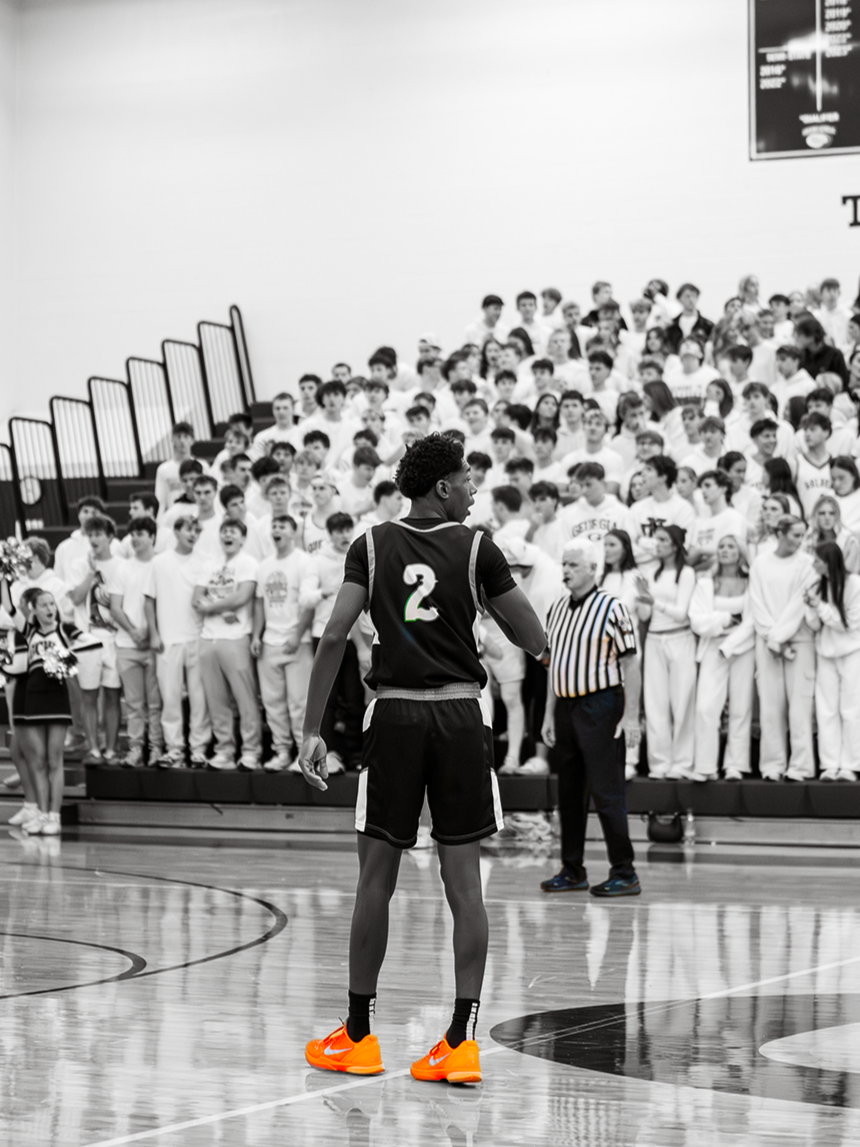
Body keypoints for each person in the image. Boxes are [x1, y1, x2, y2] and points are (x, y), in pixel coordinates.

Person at [302, 433, 546, 1083]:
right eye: (466, 477)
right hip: (464, 714)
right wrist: (489, 605)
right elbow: (534, 635)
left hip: (397, 715)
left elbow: (331, 635)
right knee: (465, 885)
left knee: (375, 878)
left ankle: (358, 1035)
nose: (472, 487)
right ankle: (460, 1041)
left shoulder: (371, 544)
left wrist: (311, 729)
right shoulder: (478, 547)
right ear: (441, 486)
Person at [540, 538, 641, 896]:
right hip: (566, 707)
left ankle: (625, 872)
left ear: (593, 569)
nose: (565, 571)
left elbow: (630, 663)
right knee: (568, 793)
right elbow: (554, 665)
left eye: (573, 565)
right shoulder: (556, 609)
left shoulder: (613, 608)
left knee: (606, 791)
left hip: (601, 705)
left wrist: (631, 717)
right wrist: (549, 715)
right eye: (564, 564)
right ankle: (572, 869)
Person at [0, 582, 99, 835]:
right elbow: (9, 606)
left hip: (56, 699)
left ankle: (54, 817)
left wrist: (66, 656)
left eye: (52, 603)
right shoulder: (30, 632)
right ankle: (42, 814)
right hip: (33, 699)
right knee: (38, 761)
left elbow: (92, 643)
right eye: (43, 604)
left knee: (55, 760)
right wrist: (4, 576)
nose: (49, 608)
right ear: (33, 609)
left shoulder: (64, 629)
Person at [749, 515, 817, 781]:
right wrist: (772, 639)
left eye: (802, 536)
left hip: (799, 642)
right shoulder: (760, 563)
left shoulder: (808, 564)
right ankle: (772, 766)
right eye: (795, 535)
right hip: (767, 643)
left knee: (799, 708)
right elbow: (757, 603)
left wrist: (779, 638)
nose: (799, 541)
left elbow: (797, 607)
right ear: (780, 533)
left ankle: (800, 767)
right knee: (770, 707)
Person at [192, 519, 261, 771]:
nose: (227, 535)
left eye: (233, 532)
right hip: (208, 639)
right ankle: (224, 751)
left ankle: (251, 751)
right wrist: (223, 608)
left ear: (243, 538)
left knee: (245, 699)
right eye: (224, 531)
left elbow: (243, 596)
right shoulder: (209, 564)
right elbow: (196, 599)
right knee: (216, 700)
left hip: (236, 639)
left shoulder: (248, 563)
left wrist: (212, 606)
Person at [144, 514, 211, 768]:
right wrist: (154, 632)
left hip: (197, 636)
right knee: (170, 697)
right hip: (168, 639)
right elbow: (149, 601)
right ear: (177, 531)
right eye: (188, 530)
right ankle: (174, 749)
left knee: (198, 697)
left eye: (196, 530)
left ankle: (198, 749)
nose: (192, 534)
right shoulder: (159, 563)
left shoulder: (205, 561)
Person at [689, 535, 755, 780]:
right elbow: (696, 620)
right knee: (706, 707)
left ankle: (735, 765)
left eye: (731, 546)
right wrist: (725, 621)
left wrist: (731, 642)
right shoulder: (705, 583)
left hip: (743, 648)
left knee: (740, 708)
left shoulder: (751, 582)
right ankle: (705, 766)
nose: (726, 550)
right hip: (712, 648)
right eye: (722, 547)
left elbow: (751, 620)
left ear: (740, 552)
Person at [634, 525, 697, 779]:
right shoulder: (650, 572)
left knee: (682, 703)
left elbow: (682, 613)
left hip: (680, 638)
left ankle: (682, 763)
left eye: (662, 539)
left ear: (674, 545)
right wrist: (641, 600)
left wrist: (653, 601)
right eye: (656, 538)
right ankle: (659, 763)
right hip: (654, 640)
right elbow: (645, 615)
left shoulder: (687, 573)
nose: (656, 543)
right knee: (655, 704)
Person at [107, 516, 163, 768]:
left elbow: (167, 605)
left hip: (155, 645)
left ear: (152, 536)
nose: (136, 538)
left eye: (141, 533)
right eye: (133, 534)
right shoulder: (121, 567)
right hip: (127, 645)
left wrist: (150, 632)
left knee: (156, 702)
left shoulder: (161, 564)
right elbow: (115, 608)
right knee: (133, 703)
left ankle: (157, 747)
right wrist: (133, 631)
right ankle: (135, 748)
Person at [804, 542, 860, 781]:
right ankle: (829, 764)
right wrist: (811, 607)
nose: (813, 564)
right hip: (825, 653)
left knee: (851, 709)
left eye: (817, 560)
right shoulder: (817, 586)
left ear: (828, 561)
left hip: (852, 652)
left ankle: (850, 764)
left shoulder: (854, 583)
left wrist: (821, 607)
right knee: (826, 710)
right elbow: (815, 625)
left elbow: (849, 624)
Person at [804, 494, 860, 572]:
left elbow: (849, 575)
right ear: (815, 515)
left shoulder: (850, 542)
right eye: (822, 513)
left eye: (832, 513)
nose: (827, 518)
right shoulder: (808, 539)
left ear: (837, 515)